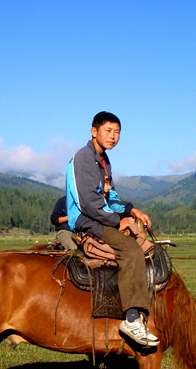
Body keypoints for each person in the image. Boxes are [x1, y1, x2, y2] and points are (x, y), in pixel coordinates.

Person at [66, 111, 159, 347]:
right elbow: (88, 202)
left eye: (117, 132)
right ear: (93, 131)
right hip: (86, 220)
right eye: (108, 131)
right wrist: (118, 222)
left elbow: (111, 196)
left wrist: (131, 210)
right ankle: (131, 318)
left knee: (140, 234)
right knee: (130, 250)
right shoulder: (84, 158)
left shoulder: (104, 161)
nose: (113, 136)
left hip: (99, 217)